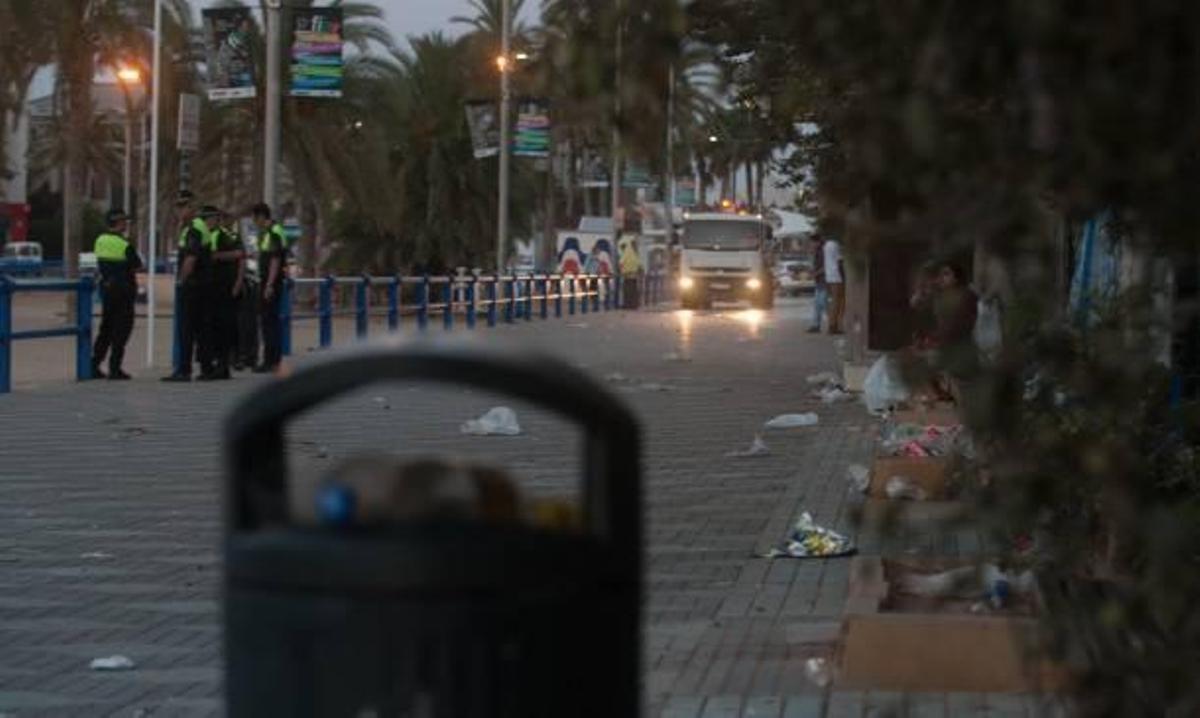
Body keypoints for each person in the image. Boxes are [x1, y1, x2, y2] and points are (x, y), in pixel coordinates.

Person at [163, 203, 219, 381]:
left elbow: (190, 258)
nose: (179, 212)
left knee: (186, 329)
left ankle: (184, 370)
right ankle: (207, 368)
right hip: (205, 286)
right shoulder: (202, 230)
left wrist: (181, 280)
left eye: (182, 208)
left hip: (193, 287)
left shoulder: (194, 230)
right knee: (203, 329)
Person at [91, 209, 142, 380]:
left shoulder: (99, 240)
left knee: (105, 328)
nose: (126, 224)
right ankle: (115, 368)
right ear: (118, 223)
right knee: (122, 330)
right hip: (124, 291)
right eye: (124, 222)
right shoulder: (124, 244)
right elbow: (137, 264)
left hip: (107, 289)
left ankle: (94, 364)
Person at [205, 212, 246, 380]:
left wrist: (238, 282)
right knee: (215, 326)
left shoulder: (226, 235)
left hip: (223, 287)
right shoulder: (208, 234)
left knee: (225, 325)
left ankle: (226, 362)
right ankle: (219, 362)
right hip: (213, 287)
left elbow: (240, 256)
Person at [252, 203, 287, 373]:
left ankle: (270, 360)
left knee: (268, 321)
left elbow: (275, 260)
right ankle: (274, 359)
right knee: (270, 321)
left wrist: (269, 284)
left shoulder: (273, 232)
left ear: (260, 217)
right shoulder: (271, 231)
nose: (254, 222)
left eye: (255, 218)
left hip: (271, 283)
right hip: (270, 281)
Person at [823, 236, 846, 334]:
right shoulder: (836, 244)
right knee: (838, 302)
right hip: (837, 276)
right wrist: (844, 277)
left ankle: (831, 324)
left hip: (829, 276)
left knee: (832, 301)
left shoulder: (826, 244)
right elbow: (839, 262)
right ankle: (833, 326)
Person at [807, 234, 828, 333]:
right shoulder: (816, 252)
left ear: (817, 242)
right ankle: (816, 325)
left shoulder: (822, 252)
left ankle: (834, 322)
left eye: (812, 242)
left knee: (822, 303)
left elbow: (826, 266)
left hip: (824, 281)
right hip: (819, 281)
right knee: (817, 304)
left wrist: (815, 274)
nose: (810, 244)